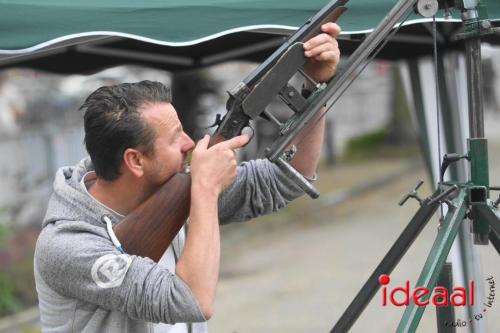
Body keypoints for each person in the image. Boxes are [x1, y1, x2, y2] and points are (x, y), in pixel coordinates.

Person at [34, 23, 341, 333]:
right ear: (135, 161)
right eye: (174, 137)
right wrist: (205, 189)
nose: (190, 144)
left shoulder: (170, 187)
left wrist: (316, 86)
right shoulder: (66, 246)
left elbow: (290, 177)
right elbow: (192, 301)